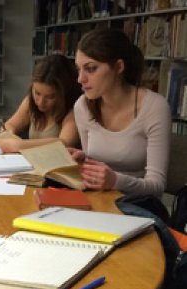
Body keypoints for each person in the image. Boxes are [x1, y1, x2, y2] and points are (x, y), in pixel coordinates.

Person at [71, 28, 171, 196]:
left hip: (139, 205)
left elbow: (157, 186)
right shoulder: (82, 107)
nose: (80, 79)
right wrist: (82, 160)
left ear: (118, 67)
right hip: (98, 198)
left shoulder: (155, 107)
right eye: (78, 69)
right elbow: (94, 167)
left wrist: (115, 181)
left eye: (91, 68)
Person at [0, 54, 82, 153]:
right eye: (37, 93)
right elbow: (10, 124)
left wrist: (18, 145)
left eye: (50, 97)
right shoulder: (30, 101)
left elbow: (64, 143)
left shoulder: (75, 110)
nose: (41, 102)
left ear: (63, 94)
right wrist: (8, 133)